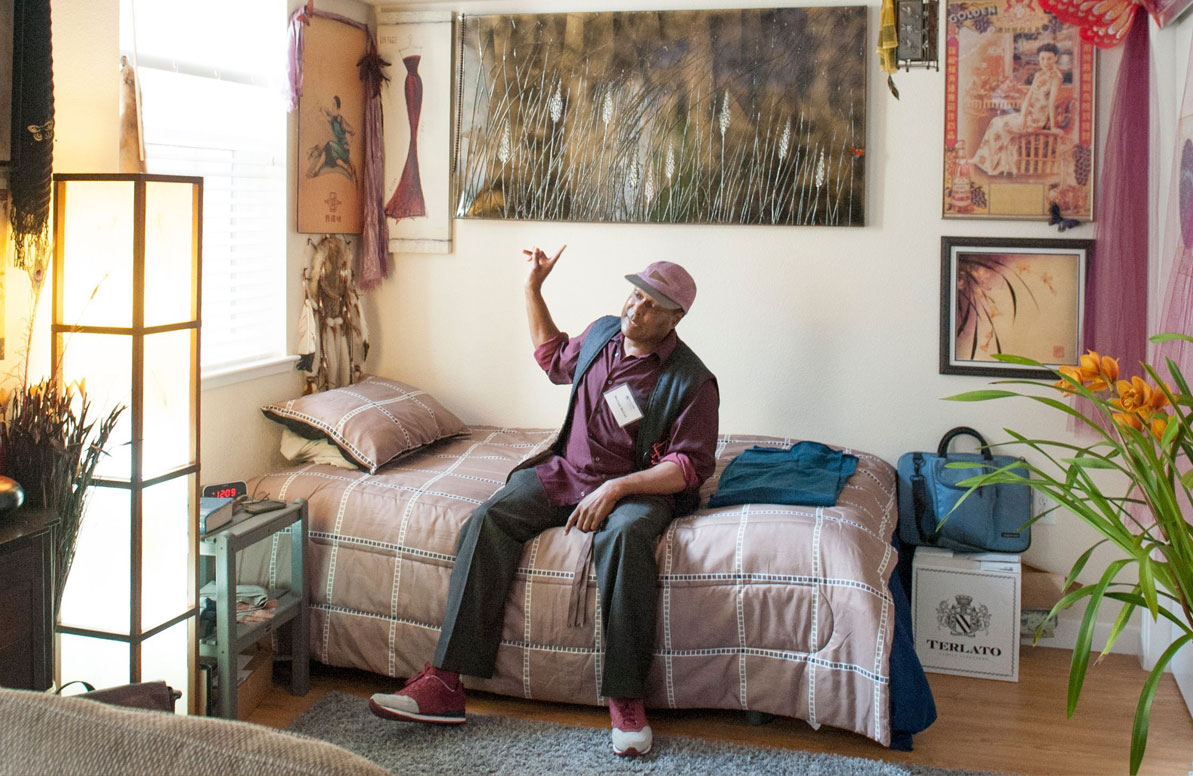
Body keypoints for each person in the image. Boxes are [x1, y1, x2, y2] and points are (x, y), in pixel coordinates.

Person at [368, 248, 719, 758]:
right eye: (635, 295)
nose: (635, 309)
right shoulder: (602, 335)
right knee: (488, 520)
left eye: (651, 305)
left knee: (624, 538)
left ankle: (625, 696)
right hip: (565, 472)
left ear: (675, 318)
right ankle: (444, 682)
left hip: (633, 488)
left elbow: (689, 467)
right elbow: (553, 357)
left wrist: (618, 488)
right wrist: (533, 288)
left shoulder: (692, 380)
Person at [971, 43, 1064, 177]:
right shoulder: (1038, 75)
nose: (1045, 62)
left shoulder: (1057, 78)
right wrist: (1022, 117)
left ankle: (991, 164)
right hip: (1028, 116)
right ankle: (985, 160)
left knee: (1000, 126)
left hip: (1037, 120)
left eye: (1049, 58)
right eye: (1042, 59)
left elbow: (1051, 103)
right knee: (995, 121)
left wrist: (1053, 126)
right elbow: (1028, 97)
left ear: (1056, 58)